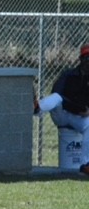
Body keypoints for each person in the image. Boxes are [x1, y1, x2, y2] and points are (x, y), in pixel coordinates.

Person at [36, 44, 89, 175]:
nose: (88, 62)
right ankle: (37, 108)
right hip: (62, 114)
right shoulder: (68, 75)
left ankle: (86, 164)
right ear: (80, 60)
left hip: (79, 117)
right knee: (56, 97)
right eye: (86, 58)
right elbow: (57, 93)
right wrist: (76, 108)